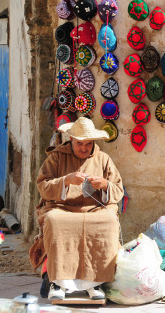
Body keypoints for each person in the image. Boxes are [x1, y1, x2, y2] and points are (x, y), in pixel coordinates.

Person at [29, 117, 123, 300]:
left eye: (88, 144)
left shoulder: (103, 159)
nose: (84, 148)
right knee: (55, 221)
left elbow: (118, 190)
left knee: (108, 221)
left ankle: (95, 284)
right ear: (71, 140)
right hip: (62, 208)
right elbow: (42, 185)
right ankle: (58, 283)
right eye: (80, 143)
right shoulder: (56, 157)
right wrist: (66, 181)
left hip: (94, 210)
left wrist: (105, 185)